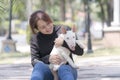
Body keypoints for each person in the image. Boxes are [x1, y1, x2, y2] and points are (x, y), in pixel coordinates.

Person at [29, 10, 84, 80]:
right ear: (37, 29)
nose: (48, 28)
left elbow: (80, 52)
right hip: (49, 71)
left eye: (48, 23)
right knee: (38, 67)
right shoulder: (35, 38)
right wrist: (48, 58)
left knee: (63, 68)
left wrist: (64, 43)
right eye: (43, 27)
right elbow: (34, 60)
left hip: (67, 69)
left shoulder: (65, 30)